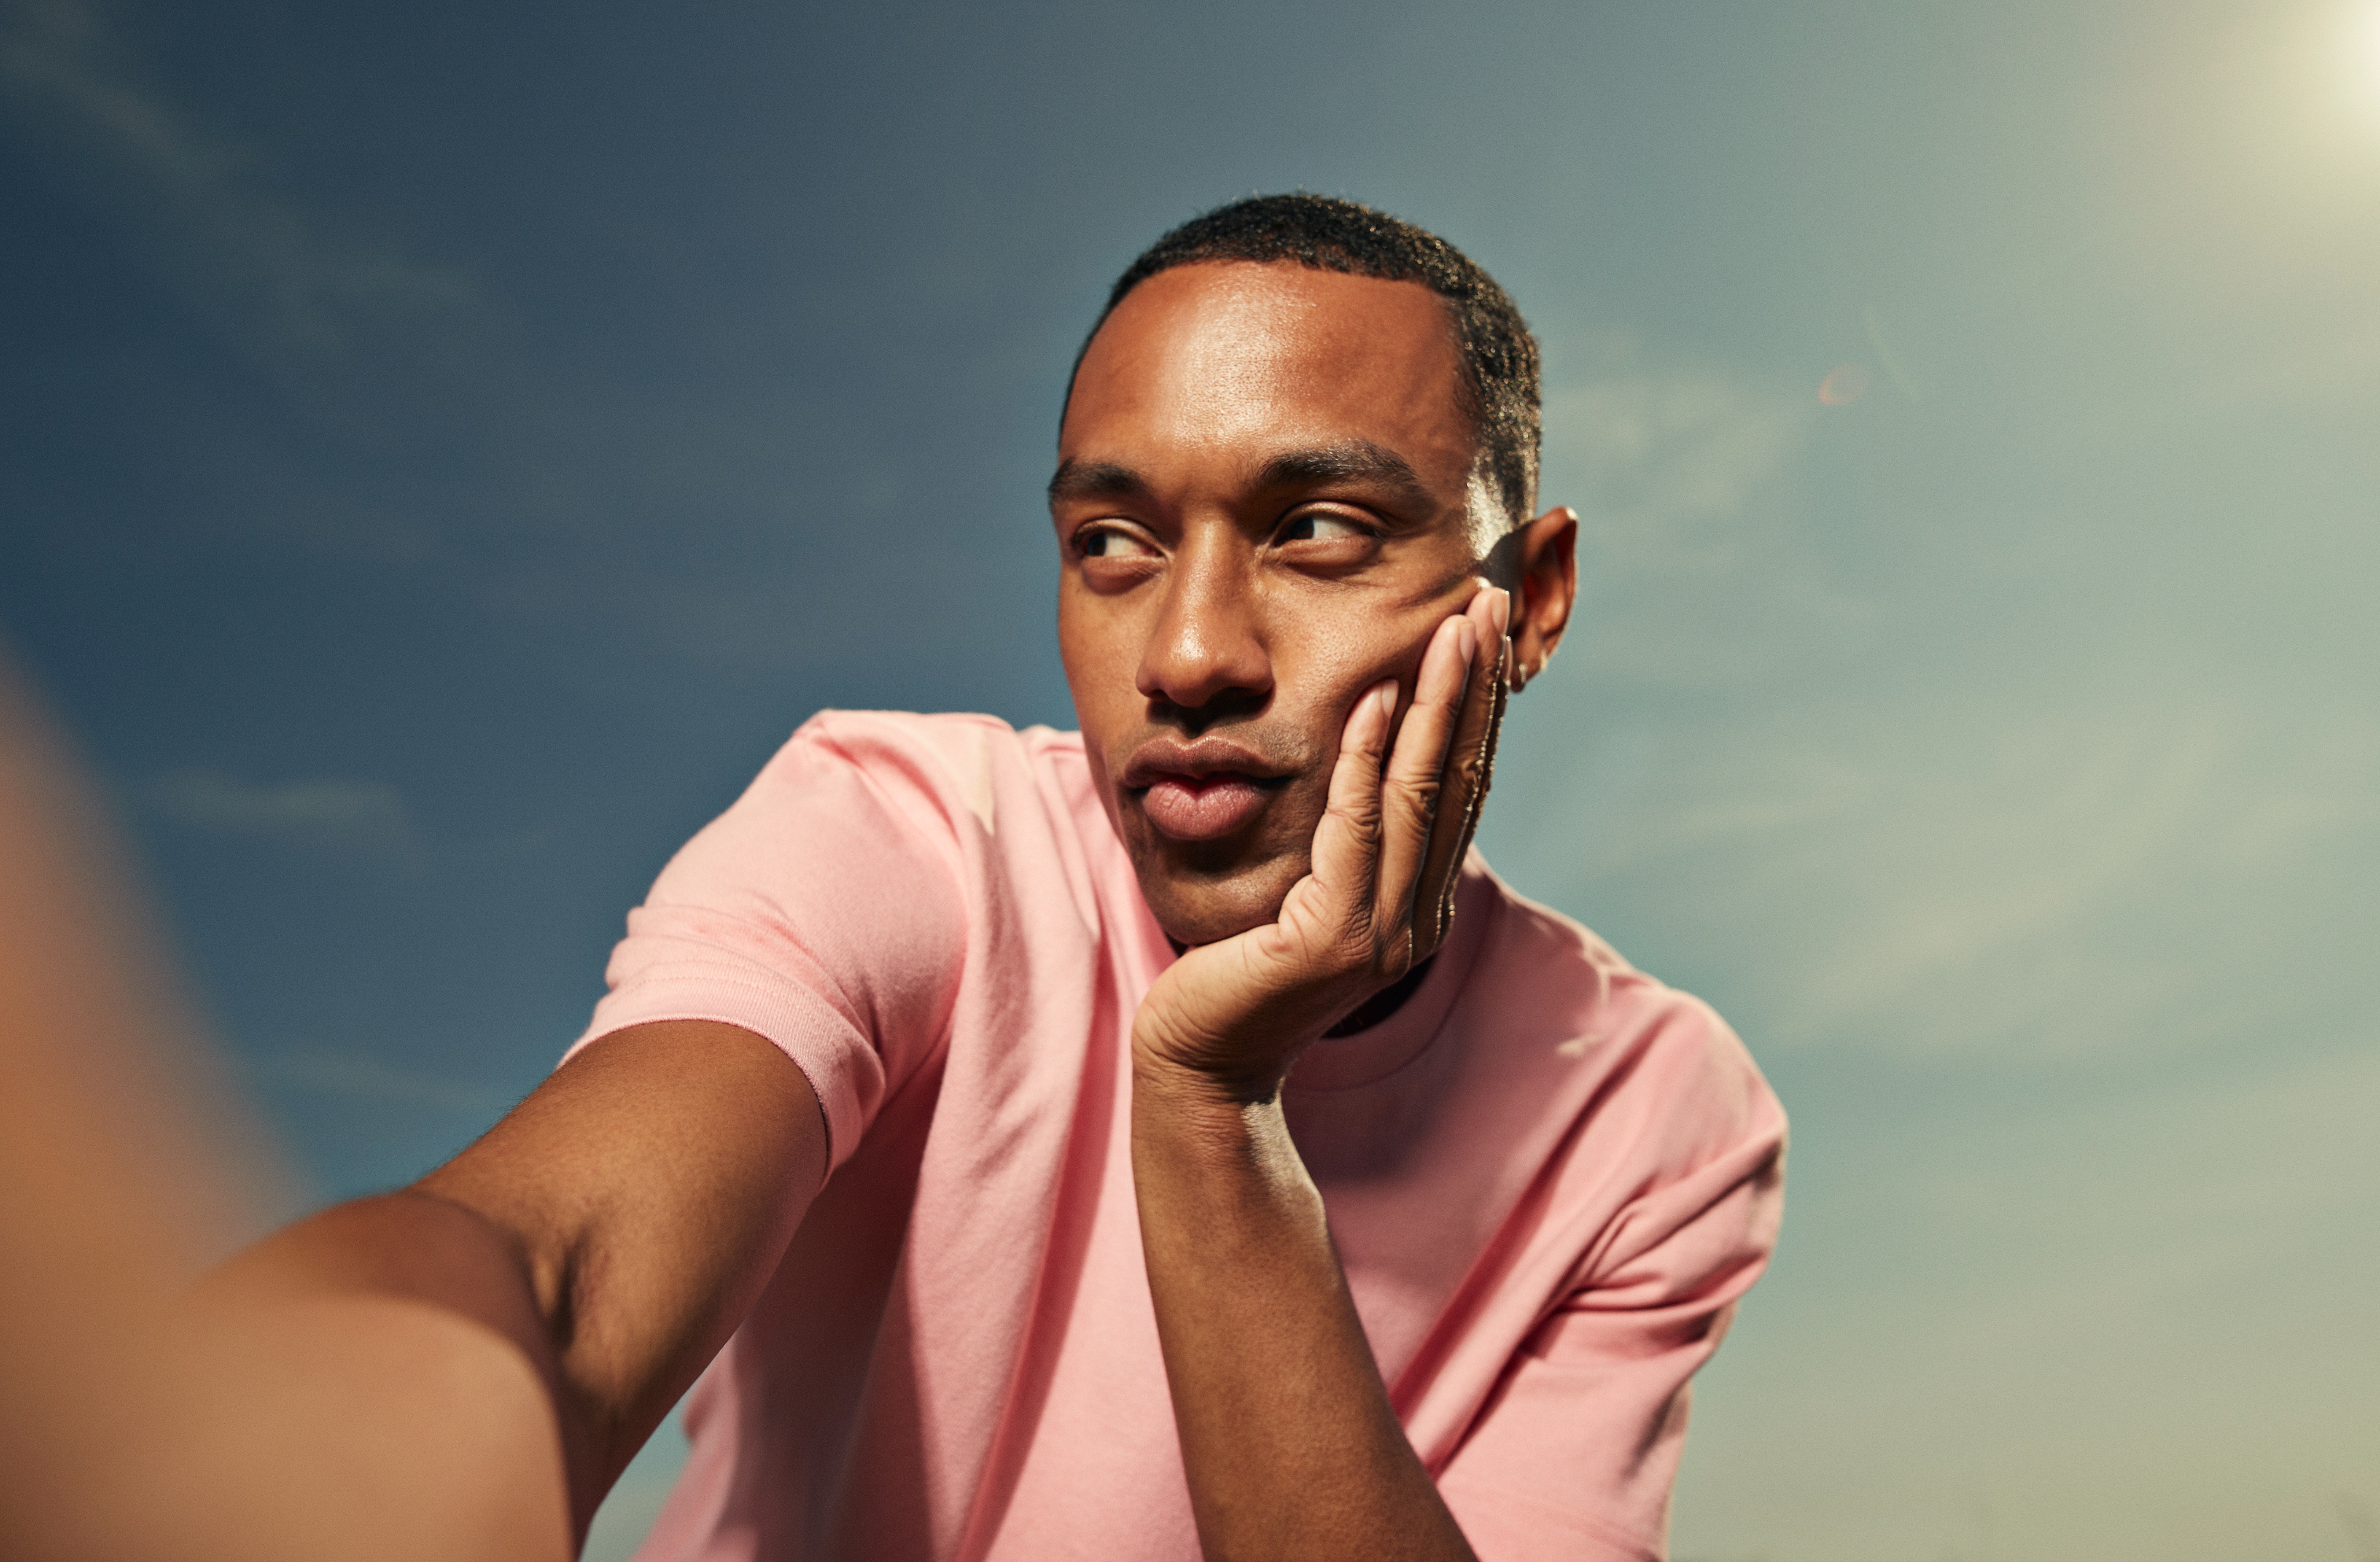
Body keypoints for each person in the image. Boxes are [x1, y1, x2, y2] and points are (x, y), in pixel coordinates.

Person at [201, 193, 1786, 1562]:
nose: (1186, 656)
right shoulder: (901, 835)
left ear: (1532, 597)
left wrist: (1215, 1105)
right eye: (1113, 543)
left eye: (1314, 530)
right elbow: (555, 1272)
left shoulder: (1657, 1110)